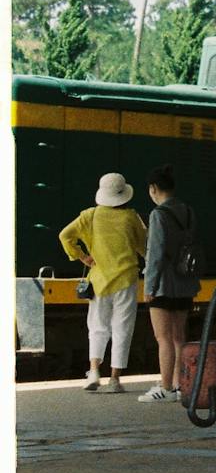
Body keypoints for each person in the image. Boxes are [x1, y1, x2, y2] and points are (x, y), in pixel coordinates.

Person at [58, 172, 148, 394]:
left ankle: (94, 371)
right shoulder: (131, 217)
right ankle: (115, 380)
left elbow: (65, 235)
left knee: (98, 327)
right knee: (122, 328)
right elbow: (143, 246)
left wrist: (82, 257)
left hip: (99, 281)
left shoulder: (90, 216)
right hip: (126, 279)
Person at [141, 167, 197, 402]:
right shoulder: (188, 211)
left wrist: (149, 286)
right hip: (185, 282)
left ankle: (164, 387)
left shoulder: (158, 215)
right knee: (178, 337)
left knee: (162, 337)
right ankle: (179, 385)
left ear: (153, 189)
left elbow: (155, 253)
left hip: (164, 283)